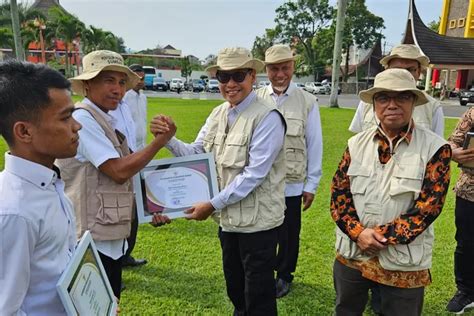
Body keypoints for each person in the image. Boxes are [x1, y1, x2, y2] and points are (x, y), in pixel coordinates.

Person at [151, 47, 286, 315]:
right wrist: (168, 139)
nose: (231, 84)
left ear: (252, 76)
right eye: (224, 77)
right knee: (236, 290)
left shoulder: (268, 117)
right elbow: (197, 153)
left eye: (238, 75)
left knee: (258, 296)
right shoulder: (218, 113)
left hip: (258, 226)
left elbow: (254, 175)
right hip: (229, 222)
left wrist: (211, 204)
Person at [330, 68, 452, 315]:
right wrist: (358, 233)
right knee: (346, 310)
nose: (392, 105)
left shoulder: (436, 149)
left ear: (413, 102)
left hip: (403, 260)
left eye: (402, 97)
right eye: (383, 98)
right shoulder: (356, 144)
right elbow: (338, 197)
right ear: (374, 104)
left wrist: (377, 237)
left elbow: (428, 209)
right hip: (352, 252)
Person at [56, 50, 172, 299]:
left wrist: (150, 208)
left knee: (110, 303)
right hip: (91, 239)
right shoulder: (83, 119)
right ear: (87, 84)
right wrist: (158, 143)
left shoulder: (104, 118)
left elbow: (124, 175)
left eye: (121, 82)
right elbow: (118, 171)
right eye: (108, 80)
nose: (117, 89)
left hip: (107, 235)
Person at [0, 61, 81, 314]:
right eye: (66, 117)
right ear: (24, 131)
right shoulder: (15, 212)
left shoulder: (50, 184)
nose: (77, 126)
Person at [255, 44, 323, 298]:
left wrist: (311, 184)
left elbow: (314, 144)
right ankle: (263, 272)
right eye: (274, 69)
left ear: (293, 67)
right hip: (260, 181)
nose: (280, 74)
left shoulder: (307, 101)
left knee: (288, 233)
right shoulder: (256, 98)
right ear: (266, 70)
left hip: (292, 182)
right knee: (261, 229)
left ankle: (284, 275)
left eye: (285, 68)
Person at [349, 44, 444, 137]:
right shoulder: (368, 101)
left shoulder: (432, 107)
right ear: (387, 70)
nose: (403, 74)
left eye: (410, 69)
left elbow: (436, 147)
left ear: (419, 72)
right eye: (397, 69)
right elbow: (359, 139)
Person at [111, 64, 148, 268]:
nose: (141, 81)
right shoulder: (120, 101)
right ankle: (116, 261)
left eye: (143, 77)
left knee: (134, 211)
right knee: (123, 212)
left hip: (139, 155)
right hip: (123, 160)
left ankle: (125, 255)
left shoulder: (142, 97)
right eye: (138, 77)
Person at [446, 107, 474, 314]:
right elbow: (452, 141)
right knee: (466, 243)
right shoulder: (473, 113)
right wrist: (455, 152)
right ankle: (466, 291)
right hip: (470, 191)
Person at [123, 64, 148, 151]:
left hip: (142, 145)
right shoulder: (123, 98)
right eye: (136, 78)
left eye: (142, 79)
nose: (139, 81)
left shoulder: (143, 97)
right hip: (128, 146)